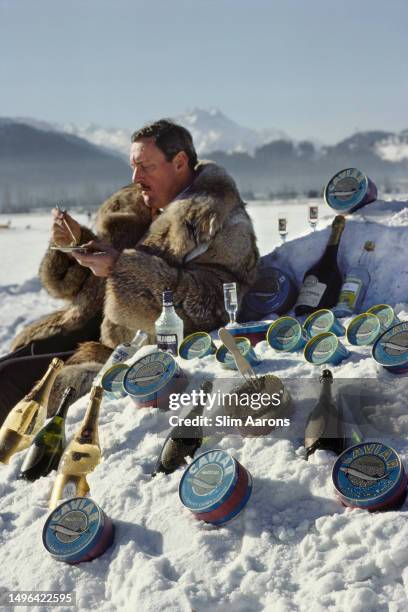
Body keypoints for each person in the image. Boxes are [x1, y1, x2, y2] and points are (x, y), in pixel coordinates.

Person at [0, 119, 259, 422]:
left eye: (146, 167)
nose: (136, 178)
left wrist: (122, 268)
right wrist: (76, 243)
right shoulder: (135, 206)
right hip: (84, 326)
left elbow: (211, 304)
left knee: (7, 384)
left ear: (179, 162)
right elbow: (71, 287)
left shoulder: (220, 221)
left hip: (127, 350)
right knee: (11, 364)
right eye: (133, 167)